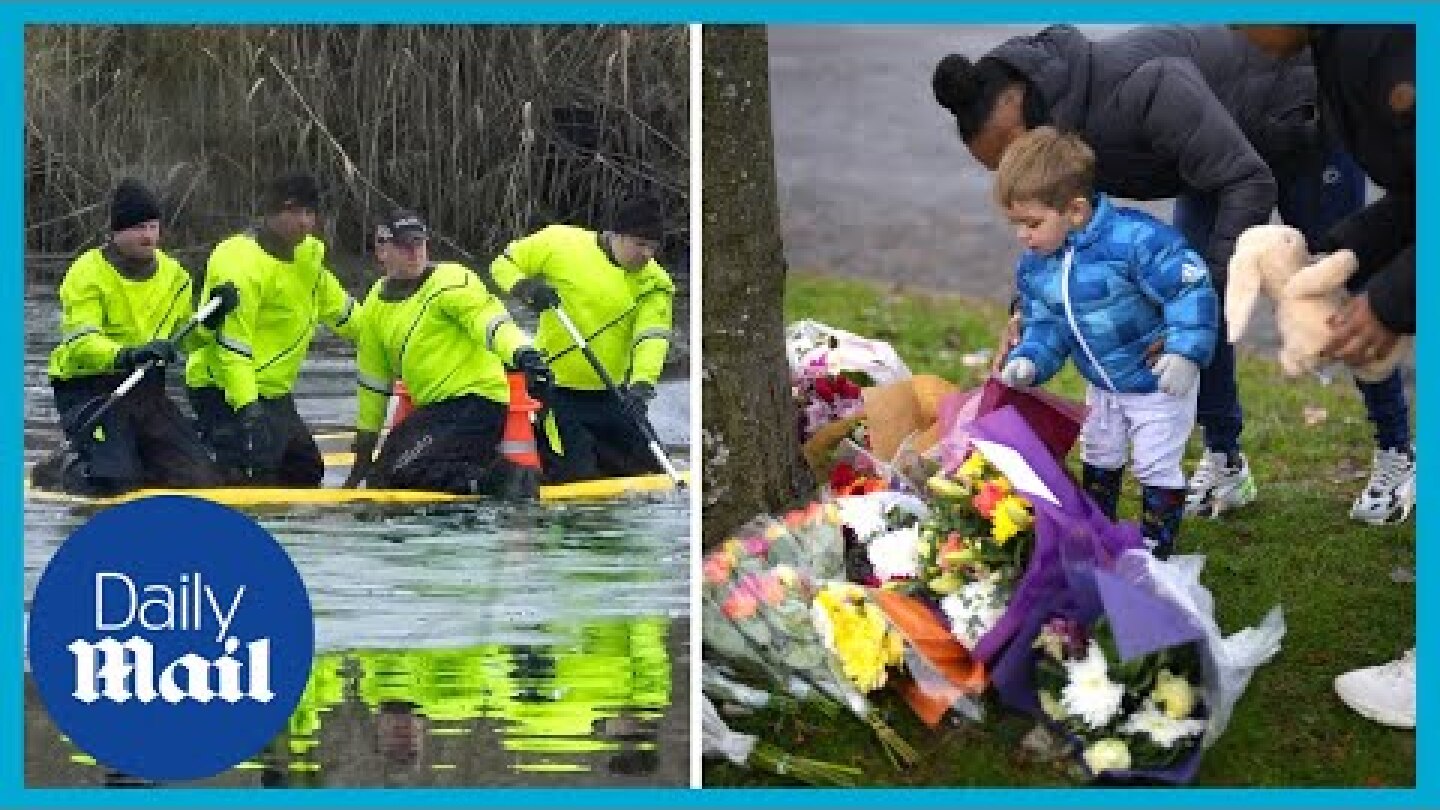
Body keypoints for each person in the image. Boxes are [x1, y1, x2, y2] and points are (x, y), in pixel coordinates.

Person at [933, 25, 1411, 523]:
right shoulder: (1056, 141)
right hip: (1212, 157)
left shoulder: (1142, 90)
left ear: (1030, 115)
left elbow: (1248, 180)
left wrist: (1196, 294)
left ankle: (1397, 451)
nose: (1014, 174)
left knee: (1337, 293)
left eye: (1011, 157)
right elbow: (1064, 230)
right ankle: (1226, 460)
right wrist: (1027, 311)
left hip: (1296, 126)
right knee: (1194, 306)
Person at [1241, 23, 1416, 729]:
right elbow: (1416, 192)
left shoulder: (1384, 38)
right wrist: (1336, 256)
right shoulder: (1340, 44)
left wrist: (1392, 301)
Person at [994, 127, 1218, 555]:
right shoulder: (1038, 265)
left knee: (1155, 461)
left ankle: (1156, 544)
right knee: (1099, 450)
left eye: (1032, 223)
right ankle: (1097, 531)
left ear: (1075, 210)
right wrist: (1031, 359)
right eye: (1016, 225)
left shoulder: (1136, 241)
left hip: (1158, 381)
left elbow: (1189, 287)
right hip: (1102, 382)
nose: (1023, 235)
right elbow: (1046, 324)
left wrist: (1185, 351)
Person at [341, 209, 553, 496]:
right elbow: (373, 382)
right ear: (382, 250)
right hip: (434, 411)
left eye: (419, 243)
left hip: (475, 402)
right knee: (380, 478)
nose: (415, 253)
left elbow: (489, 323)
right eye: (404, 246)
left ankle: (502, 479)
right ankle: (480, 473)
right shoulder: (375, 303)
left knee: (402, 471)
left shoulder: (452, 281)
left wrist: (522, 352)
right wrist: (364, 447)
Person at [39, 179, 231, 496]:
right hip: (90, 389)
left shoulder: (176, 277)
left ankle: (137, 456)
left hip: (146, 391)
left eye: (153, 227)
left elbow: (187, 341)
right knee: (115, 483)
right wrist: (130, 354)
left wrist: (212, 319)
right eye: (139, 227)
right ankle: (62, 469)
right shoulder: (86, 274)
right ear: (116, 233)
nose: (148, 236)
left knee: (202, 480)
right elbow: (81, 344)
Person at [184, 172, 361, 486]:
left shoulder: (308, 258)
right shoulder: (239, 264)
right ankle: (206, 446)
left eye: (309, 213)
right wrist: (248, 409)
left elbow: (342, 313)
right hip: (224, 389)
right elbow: (233, 348)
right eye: (293, 212)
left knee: (305, 471)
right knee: (250, 475)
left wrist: (391, 339)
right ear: (271, 213)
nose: (304, 222)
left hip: (274, 391)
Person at [487, 194, 676, 483]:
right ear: (617, 235)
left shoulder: (655, 282)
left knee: (655, 472)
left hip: (612, 393)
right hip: (556, 390)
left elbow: (651, 338)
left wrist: (641, 386)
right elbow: (502, 265)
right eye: (640, 245)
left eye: (653, 247)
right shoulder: (560, 243)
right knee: (577, 475)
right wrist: (526, 289)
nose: (647, 255)